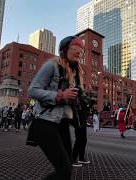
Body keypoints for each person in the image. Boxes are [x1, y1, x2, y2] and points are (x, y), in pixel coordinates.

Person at [28, 35, 89, 180]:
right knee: (64, 171)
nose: (78, 52)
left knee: (67, 168)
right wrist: (60, 96)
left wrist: (79, 99)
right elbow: (32, 90)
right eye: (74, 48)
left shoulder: (76, 73)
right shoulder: (52, 66)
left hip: (62, 123)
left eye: (81, 50)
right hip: (44, 122)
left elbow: (71, 99)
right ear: (64, 50)